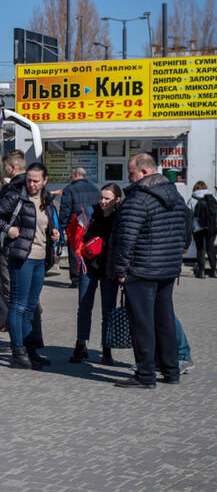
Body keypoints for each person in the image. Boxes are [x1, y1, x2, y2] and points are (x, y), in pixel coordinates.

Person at [109, 153, 191, 388]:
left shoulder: (138, 199)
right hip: (167, 270)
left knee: (142, 324)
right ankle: (171, 370)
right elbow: (185, 231)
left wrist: (120, 270)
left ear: (144, 172)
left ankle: (145, 375)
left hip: (141, 270)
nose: (128, 178)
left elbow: (126, 239)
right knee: (163, 322)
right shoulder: (176, 196)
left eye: (131, 173)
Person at [0, 162, 60, 369]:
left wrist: (54, 233)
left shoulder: (47, 200)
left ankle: (30, 350)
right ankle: (18, 352)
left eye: (36, 181)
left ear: (45, 181)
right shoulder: (16, 196)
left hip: (40, 258)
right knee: (18, 305)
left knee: (31, 306)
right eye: (29, 180)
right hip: (21, 257)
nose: (32, 184)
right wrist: (7, 228)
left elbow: (46, 225)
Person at [68, 184, 122, 365]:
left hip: (109, 270)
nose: (102, 201)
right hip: (88, 267)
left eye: (107, 198)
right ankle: (80, 344)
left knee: (108, 311)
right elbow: (75, 235)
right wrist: (79, 253)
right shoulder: (90, 213)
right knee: (84, 307)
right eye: (101, 197)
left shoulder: (120, 217)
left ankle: (107, 350)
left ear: (117, 200)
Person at [58, 167, 100, 288]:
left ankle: (76, 279)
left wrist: (63, 226)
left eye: (71, 176)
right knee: (90, 249)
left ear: (75, 175)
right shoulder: (95, 188)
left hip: (75, 225)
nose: (70, 178)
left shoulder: (69, 189)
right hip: (91, 224)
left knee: (74, 251)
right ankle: (90, 275)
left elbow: (65, 209)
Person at [187, 180, 217, 278]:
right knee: (211, 248)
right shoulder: (213, 198)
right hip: (212, 227)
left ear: (195, 188)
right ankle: (214, 271)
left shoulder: (192, 199)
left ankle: (202, 272)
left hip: (198, 228)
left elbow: (188, 216)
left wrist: (190, 229)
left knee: (201, 249)